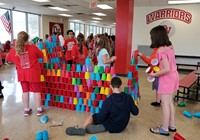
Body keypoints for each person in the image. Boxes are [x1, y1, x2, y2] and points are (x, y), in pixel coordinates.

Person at [66, 77, 139, 136]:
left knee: (92, 116)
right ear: (121, 85)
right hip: (122, 126)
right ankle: (92, 127)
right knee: (96, 122)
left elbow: (101, 118)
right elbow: (135, 112)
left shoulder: (108, 101)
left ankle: (82, 128)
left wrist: (95, 119)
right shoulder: (128, 97)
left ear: (111, 86)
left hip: (110, 125)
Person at [147, 25, 179, 136]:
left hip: (167, 78)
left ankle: (164, 129)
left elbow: (166, 69)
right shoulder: (170, 46)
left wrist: (154, 74)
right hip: (174, 76)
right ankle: (171, 125)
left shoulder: (160, 51)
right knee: (169, 102)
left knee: (164, 104)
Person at [6, 31, 46, 117]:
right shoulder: (32, 47)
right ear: (27, 39)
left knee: (25, 91)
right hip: (33, 73)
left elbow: (8, 59)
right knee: (36, 91)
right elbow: (41, 55)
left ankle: (26, 110)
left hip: (22, 74)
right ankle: (39, 109)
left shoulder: (14, 50)